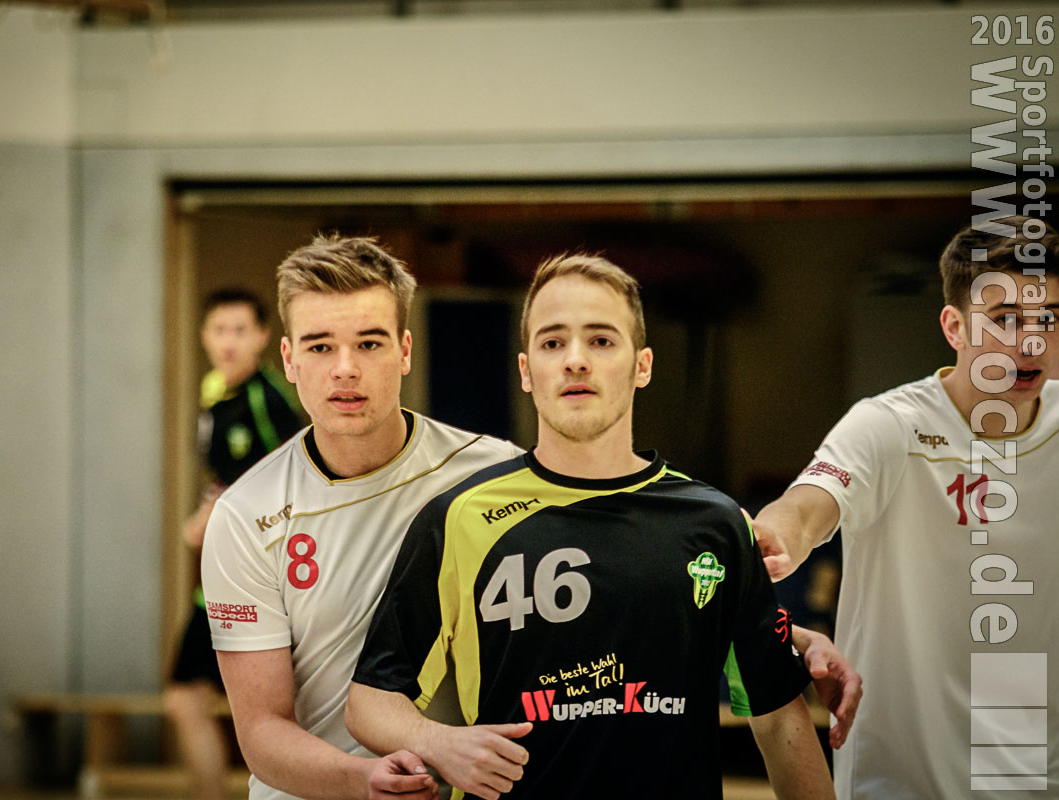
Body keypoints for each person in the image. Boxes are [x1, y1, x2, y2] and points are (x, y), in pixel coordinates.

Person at [347, 254, 840, 800]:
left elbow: (779, 717)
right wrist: (439, 742)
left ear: (642, 366)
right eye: (553, 342)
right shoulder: (457, 518)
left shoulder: (716, 524)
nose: (576, 361)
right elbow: (370, 702)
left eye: (601, 340)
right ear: (525, 370)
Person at [199, 235, 523, 800]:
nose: (345, 369)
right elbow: (261, 730)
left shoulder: (497, 475)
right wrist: (363, 780)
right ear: (289, 360)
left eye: (369, 344)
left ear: (404, 350)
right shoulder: (245, 515)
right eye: (320, 347)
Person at [752, 216, 1059, 798]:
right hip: (899, 778)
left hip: (1030, 770)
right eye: (1005, 319)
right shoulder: (888, 424)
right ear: (954, 327)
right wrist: (777, 537)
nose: (1030, 343)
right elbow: (807, 505)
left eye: (1049, 319)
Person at [165, 288, 305, 800]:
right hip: (221, 574)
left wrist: (217, 514)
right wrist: (208, 509)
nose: (229, 342)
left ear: (264, 337)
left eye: (241, 331)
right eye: (219, 330)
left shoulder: (268, 401)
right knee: (184, 700)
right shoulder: (213, 391)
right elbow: (224, 476)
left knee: (268, 710)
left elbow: (295, 478)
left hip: (262, 580)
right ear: (204, 336)